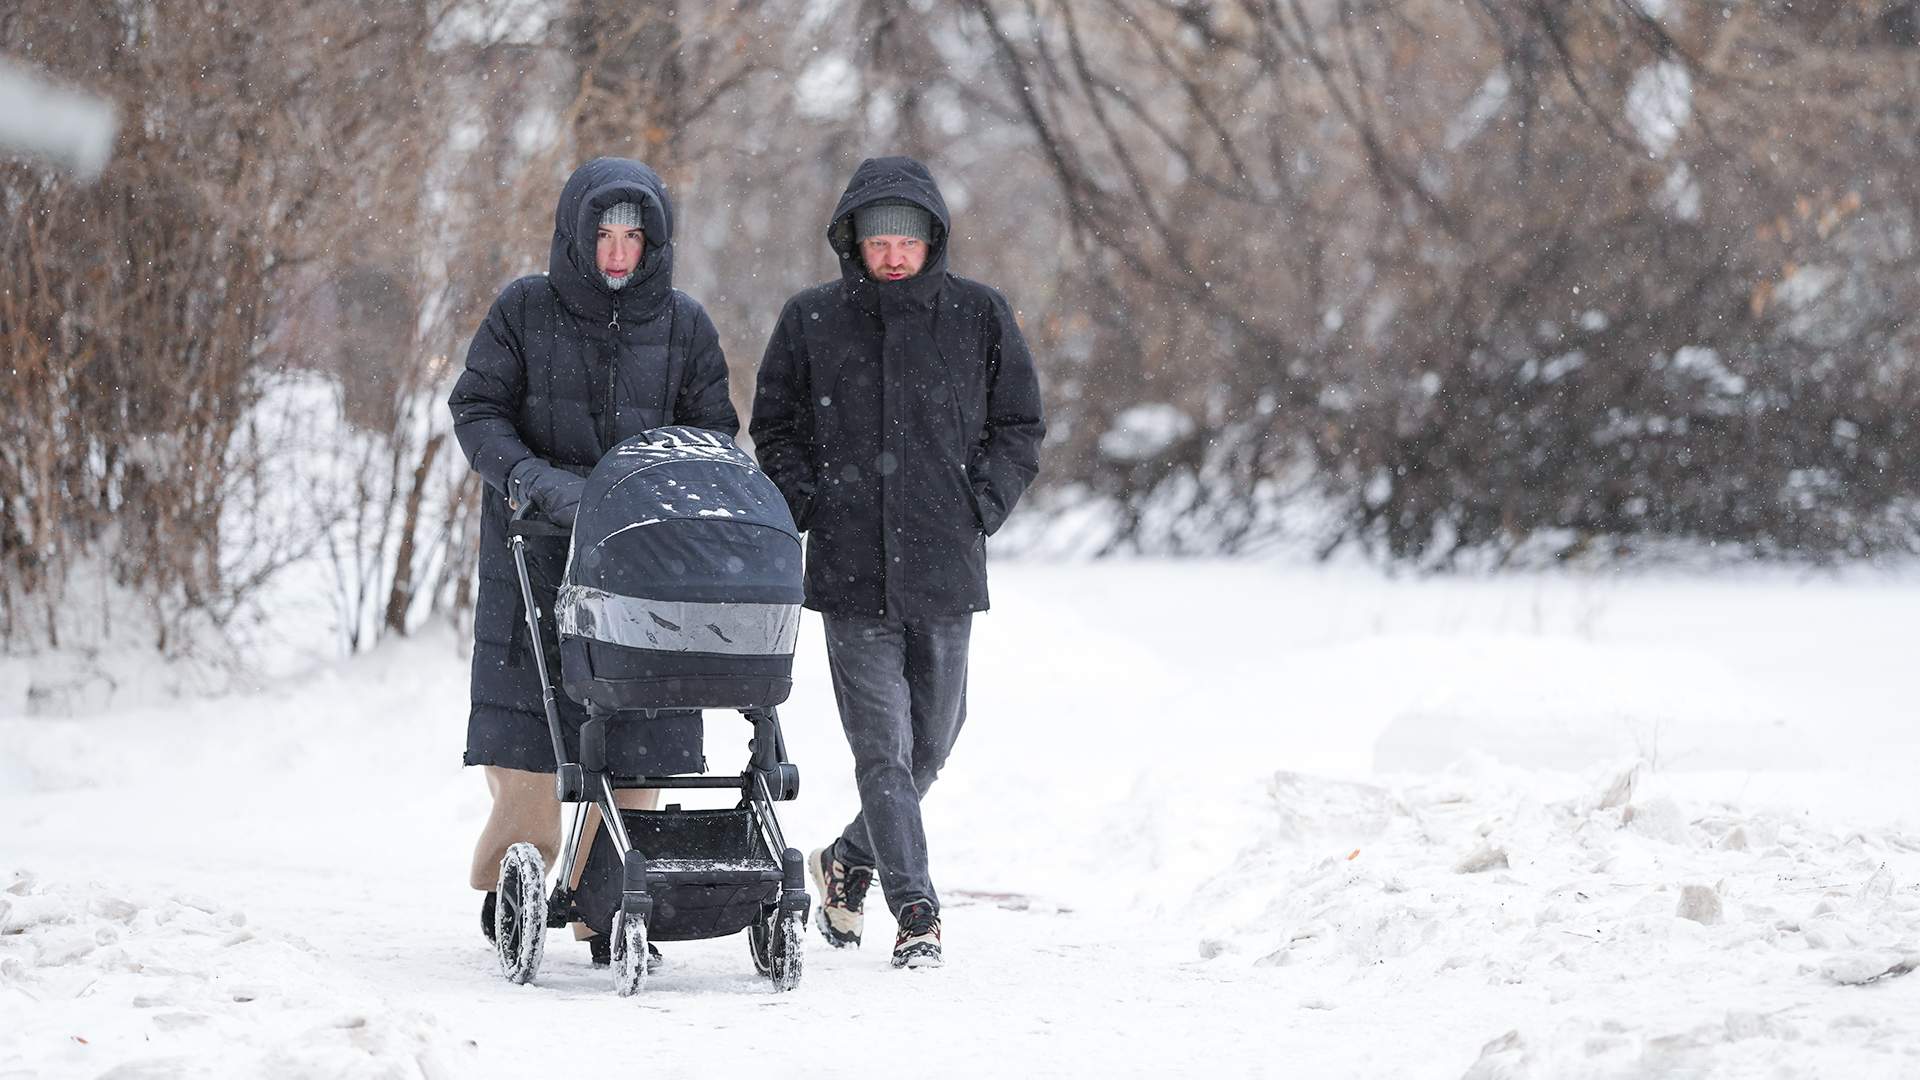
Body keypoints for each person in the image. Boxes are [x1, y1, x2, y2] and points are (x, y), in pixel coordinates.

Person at [750, 156, 1045, 969]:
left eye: (906, 240)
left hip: (946, 569)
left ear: (932, 241)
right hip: (850, 573)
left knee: (933, 743)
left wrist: (979, 505)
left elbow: (1021, 424)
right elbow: (772, 428)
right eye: (876, 239)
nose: (891, 254)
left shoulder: (979, 315)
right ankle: (917, 910)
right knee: (882, 748)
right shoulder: (812, 320)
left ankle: (847, 862)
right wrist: (811, 502)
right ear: (852, 240)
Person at [448, 157, 737, 965]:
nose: (617, 254)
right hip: (534, 548)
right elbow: (476, 408)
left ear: (655, 243)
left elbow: (715, 434)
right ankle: (520, 872)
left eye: (632, 237)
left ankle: (605, 897)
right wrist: (533, 482)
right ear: (578, 236)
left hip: (646, 559)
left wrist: (655, 490)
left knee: (640, 722)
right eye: (603, 236)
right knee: (530, 737)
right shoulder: (523, 310)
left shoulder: (685, 327)